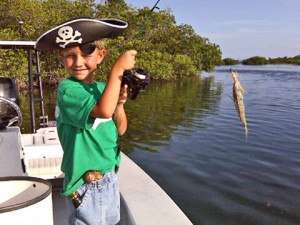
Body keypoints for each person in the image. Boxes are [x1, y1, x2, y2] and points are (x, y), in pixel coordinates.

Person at [35, 18, 135, 225]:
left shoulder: (103, 88)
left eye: (86, 54)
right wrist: (117, 71)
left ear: (100, 56)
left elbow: (120, 129)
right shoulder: (67, 89)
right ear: (61, 57)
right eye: (70, 55)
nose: (78, 62)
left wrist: (120, 104)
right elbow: (103, 110)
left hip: (109, 178)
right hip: (87, 185)